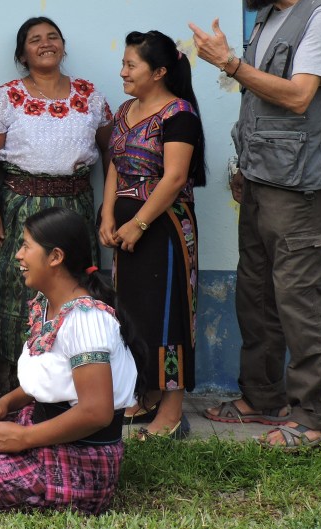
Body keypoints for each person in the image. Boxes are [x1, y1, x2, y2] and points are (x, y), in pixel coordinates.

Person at [190, 0, 321, 449]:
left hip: (300, 189)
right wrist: (245, 167)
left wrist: (230, 64)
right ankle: (262, 397)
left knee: (299, 302)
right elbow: (260, 106)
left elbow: (299, 97)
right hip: (262, 180)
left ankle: (312, 418)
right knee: (256, 295)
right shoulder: (269, 17)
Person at [0, 207, 143, 516]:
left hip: (80, 460)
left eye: (26, 246)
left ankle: (59, 483)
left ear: (55, 257)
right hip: (44, 428)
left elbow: (97, 412)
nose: (18, 255)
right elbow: (57, 378)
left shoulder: (86, 321)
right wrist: (5, 403)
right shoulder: (50, 305)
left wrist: (24, 438)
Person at [0, 16, 112, 376]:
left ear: (63, 46)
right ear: (22, 54)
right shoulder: (7, 96)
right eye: (35, 39)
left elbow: (110, 151)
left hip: (75, 207)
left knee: (74, 285)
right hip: (22, 206)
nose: (46, 44)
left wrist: (110, 204)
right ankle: (19, 379)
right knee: (21, 285)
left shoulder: (89, 94)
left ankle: (76, 374)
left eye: (53, 37)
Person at [98, 30, 205, 439]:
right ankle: (145, 394)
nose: (122, 72)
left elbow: (174, 177)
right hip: (125, 228)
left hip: (164, 229)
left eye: (131, 65)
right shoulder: (126, 110)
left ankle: (172, 411)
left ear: (158, 72)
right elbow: (114, 164)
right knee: (132, 312)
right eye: (123, 64)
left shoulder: (179, 115)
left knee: (168, 314)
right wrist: (108, 214)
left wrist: (139, 223)